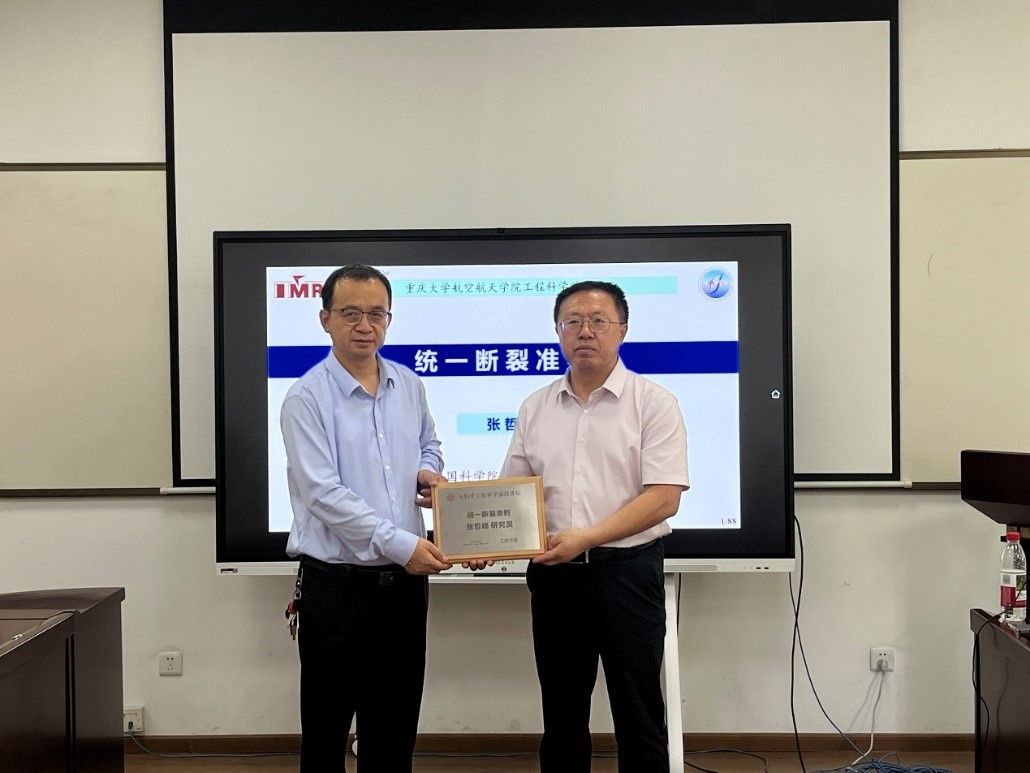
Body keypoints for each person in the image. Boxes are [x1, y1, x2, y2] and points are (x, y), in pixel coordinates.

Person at [501, 280, 689, 773]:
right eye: (573, 322)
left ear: (622, 330)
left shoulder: (653, 403)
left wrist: (586, 537)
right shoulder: (536, 406)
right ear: (558, 331)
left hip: (627, 573)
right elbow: (512, 494)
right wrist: (475, 540)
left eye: (598, 321)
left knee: (638, 711)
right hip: (555, 579)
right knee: (561, 713)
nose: (585, 331)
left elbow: (664, 498)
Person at [280, 264, 451, 772]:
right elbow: (322, 493)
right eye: (351, 313)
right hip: (337, 589)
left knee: (395, 733)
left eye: (377, 314)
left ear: (389, 319)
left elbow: (430, 443)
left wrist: (427, 471)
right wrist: (400, 544)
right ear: (325, 319)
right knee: (326, 733)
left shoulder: (409, 384)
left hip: (403, 589)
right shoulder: (306, 398)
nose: (365, 326)